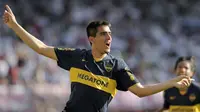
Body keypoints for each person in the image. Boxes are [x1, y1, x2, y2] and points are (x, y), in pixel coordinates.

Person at [3, 5, 193, 112]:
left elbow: (141, 91)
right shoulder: (77, 56)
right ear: (91, 39)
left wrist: (172, 82)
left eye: (110, 34)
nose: (109, 37)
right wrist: (15, 26)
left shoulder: (117, 65)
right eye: (104, 34)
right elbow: (41, 48)